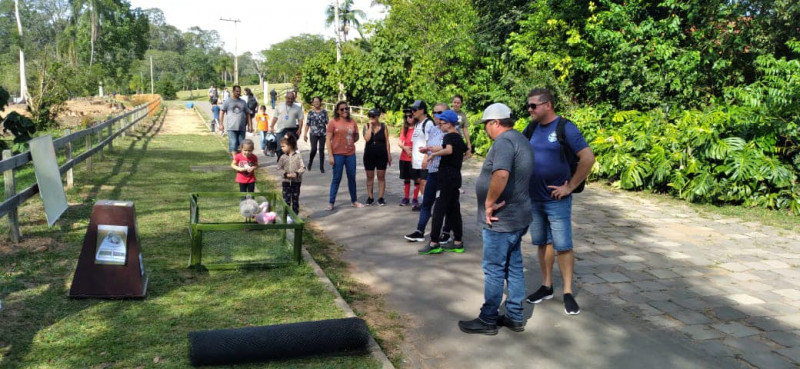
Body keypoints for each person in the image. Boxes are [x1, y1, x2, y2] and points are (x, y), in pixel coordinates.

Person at [458, 103, 534, 335]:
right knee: (514, 266)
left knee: (494, 269)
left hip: (502, 220)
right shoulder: (520, 138)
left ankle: (488, 318)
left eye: (486, 125)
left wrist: (489, 203)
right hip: (519, 216)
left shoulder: (503, 142)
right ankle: (514, 315)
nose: (485, 130)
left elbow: (501, 174)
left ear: (496, 123)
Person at [523, 88, 595, 316]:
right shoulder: (532, 128)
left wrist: (570, 186)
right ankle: (546, 286)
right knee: (542, 242)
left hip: (557, 200)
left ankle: (567, 292)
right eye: (529, 106)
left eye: (533, 105)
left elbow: (588, 157)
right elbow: (520, 151)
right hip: (534, 198)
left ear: (548, 105)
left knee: (563, 245)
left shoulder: (565, 128)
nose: (530, 110)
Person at [404, 103, 452, 246]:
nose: (437, 115)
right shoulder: (434, 130)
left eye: (440, 113)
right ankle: (420, 231)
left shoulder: (453, 132)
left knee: (445, 205)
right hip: (432, 171)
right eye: (435, 112)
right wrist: (427, 151)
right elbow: (430, 146)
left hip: (446, 173)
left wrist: (434, 151)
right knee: (426, 202)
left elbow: (452, 151)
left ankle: (446, 232)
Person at [419, 110, 467, 254]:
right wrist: (433, 148)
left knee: (439, 209)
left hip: (445, 177)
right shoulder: (458, 137)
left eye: (442, 123)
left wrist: (433, 153)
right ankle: (458, 242)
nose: (440, 125)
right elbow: (461, 150)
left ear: (449, 124)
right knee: (453, 209)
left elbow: (449, 150)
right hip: (455, 177)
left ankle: (434, 243)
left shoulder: (448, 136)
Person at [326, 101, 364, 210]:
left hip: (350, 154)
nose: (345, 111)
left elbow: (356, 136)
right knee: (336, 178)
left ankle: (354, 201)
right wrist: (330, 156)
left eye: (346, 109)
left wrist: (349, 142)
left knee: (352, 178)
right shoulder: (333, 122)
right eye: (342, 109)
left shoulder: (352, 122)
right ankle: (331, 202)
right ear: (337, 111)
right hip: (337, 154)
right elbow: (328, 140)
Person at [362, 108, 391, 206]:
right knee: (370, 176)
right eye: (370, 116)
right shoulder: (366, 126)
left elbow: (387, 141)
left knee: (381, 176)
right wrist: (370, 126)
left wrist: (389, 154)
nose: (371, 118)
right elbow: (367, 139)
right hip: (369, 155)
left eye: (373, 116)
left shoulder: (383, 126)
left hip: (381, 155)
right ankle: (370, 197)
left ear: (378, 116)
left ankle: (381, 197)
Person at [409, 100, 434, 211]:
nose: (413, 112)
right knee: (420, 181)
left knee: (424, 182)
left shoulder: (428, 123)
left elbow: (430, 141)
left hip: (424, 160)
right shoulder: (417, 123)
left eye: (415, 110)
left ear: (422, 110)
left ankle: (426, 205)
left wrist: (425, 158)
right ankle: (424, 203)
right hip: (416, 160)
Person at [219, 85, 252, 159]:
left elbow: (248, 113)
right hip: (231, 127)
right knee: (233, 144)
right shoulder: (228, 101)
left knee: (242, 145)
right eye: (237, 91)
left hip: (241, 127)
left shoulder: (243, 102)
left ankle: (241, 160)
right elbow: (221, 112)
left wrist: (250, 125)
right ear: (233, 91)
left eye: (239, 91)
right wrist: (221, 124)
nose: (238, 92)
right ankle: (235, 160)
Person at [270, 91, 304, 159]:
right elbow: (275, 117)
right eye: (288, 98)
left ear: (294, 98)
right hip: (281, 129)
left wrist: (300, 129)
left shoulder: (297, 108)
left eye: (292, 98)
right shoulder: (280, 106)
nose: (290, 100)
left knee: (290, 147)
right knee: (280, 148)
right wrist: (272, 126)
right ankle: (280, 161)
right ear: (285, 98)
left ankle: (288, 162)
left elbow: (300, 119)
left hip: (291, 130)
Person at [277, 135, 306, 215]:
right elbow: (279, 168)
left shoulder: (298, 156)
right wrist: (285, 174)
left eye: (283, 146)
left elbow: (303, 167)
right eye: (281, 146)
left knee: (295, 200)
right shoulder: (282, 157)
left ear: (290, 145)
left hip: (296, 182)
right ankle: (286, 217)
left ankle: (295, 217)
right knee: (286, 200)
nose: (281, 148)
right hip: (286, 182)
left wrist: (296, 174)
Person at [397, 108, 419, 206]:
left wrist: (413, 152)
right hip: (404, 157)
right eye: (406, 117)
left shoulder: (418, 128)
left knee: (416, 179)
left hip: (414, 157)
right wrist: (404, 148)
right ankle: (406, 197)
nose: (408, 118)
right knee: (406, 178)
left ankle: (415, 198)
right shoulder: (404, 129)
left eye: (410, 116)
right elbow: (400, 141)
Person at [303, 96, 329, 173]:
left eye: (317, 102)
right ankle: (310, 162)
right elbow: (307, 124)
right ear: (313, 103)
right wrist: (305, 134)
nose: (316, 103)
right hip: (313, 133)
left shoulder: (324, 112)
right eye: (315, 102)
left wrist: (329, 133)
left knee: (321, 149)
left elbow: (328, 123)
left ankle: (321, 167)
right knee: (313, 149)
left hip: (322, 133)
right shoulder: (311, 113)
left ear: (320, 102)